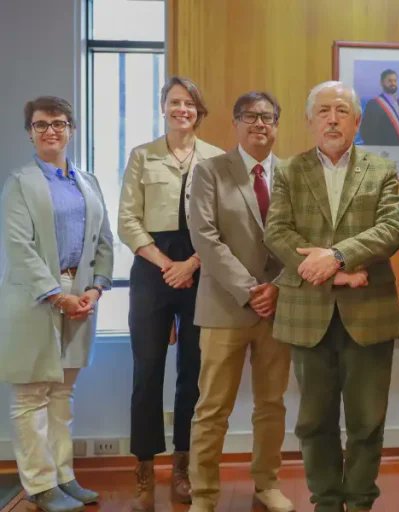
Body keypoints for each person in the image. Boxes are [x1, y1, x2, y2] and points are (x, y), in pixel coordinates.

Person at [264, 81, 399, 512]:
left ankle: (359, 501)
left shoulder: (381, 169)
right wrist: (334, 275)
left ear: (357, 121)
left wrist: (338, 256)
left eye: (342, 111)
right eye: (323, 111)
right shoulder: (289, 170)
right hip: (309, 313)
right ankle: (325, 501)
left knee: (367, 421)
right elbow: (277, 232)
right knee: (313, 422)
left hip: (370, 313)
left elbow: (391, 230)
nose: (332, 119)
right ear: (309, 121)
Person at [0, 96, 113, 512]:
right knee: (31, 394)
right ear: (29, 132)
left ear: (71, 129)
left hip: (80, 295)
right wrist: (57, 295)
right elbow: (20, 247)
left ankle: (64, 477)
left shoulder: (88, 182)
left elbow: (104, 242)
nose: (51, 131)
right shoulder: (19, 183)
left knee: (63, 393)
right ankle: (39, 484)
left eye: (59, 123)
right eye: (41, 124)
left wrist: (95, 289)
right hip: (35, 297)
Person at [117, 76, 224, 511]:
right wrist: (166, 265)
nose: (182, 109)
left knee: (193, 374)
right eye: (175, 102)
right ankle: (144, 469)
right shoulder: (142, 155)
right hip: (152, 270)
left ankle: (184, 466)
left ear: (199, 111)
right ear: (163, 106)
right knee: (147, 372)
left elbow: (222, 224)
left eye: (190, 104)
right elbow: (127, 220)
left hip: (201, 269)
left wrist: (191, 264)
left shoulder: (216, 158)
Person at [186, 91, 293, 512]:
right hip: (224, 307)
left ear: (277, 125)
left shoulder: (292, 174)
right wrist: (249, 289)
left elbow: (303, 239)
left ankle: (267, 483)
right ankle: (204, 495)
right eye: (249, 116)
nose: (259, 123)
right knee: (212, 408)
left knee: (271, 404)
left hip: (279, 308)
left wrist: (277, 287)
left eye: (268, 117)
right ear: (235, 123)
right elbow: (205, 238)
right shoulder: (210, 171)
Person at [359, 69, 399, 146]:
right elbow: (365, 131)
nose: (393, 83)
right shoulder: (373, 104)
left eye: (395, 81)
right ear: (382, 83)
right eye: (390, 81)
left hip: (398, 149)